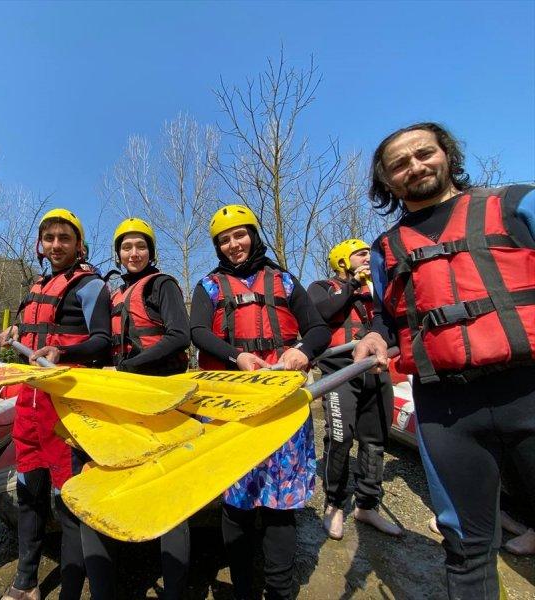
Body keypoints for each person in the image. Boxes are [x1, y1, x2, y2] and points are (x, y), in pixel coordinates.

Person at [353, 122, 535, 599]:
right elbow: (387, 320)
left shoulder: (516, 204)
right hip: (446, 410)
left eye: (423, 153)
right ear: (387, 183)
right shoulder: (385, 249)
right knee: (466, 547)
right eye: (399, 164)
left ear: (446, 155)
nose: (414, 166)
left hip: (529, 390)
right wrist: (374, 336)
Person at [190, 205, 330, 600]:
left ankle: (281, 590)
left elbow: (317, 328)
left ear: (253, 234)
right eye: (225, 239)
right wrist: (238, 357)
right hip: (232, 403)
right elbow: (198, 331)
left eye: (240, 235)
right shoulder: (209, 286)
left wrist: (301, 352)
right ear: (217, 246)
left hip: (281, 401)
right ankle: (246, 588)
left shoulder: (284, 280)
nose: (234, 244)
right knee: (237, 502)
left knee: (280, 502)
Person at [0, 208, 111, 600]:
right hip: (29, 406)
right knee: (28, 495)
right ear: (41, 246)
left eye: (65, 238)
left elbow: (102, 340)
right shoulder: (34, 287)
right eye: (50, 239)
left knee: (68, 505)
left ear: (79, 244)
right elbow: (29, 337)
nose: (57, 245)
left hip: (65, 410)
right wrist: (13, 334)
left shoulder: (92, 286)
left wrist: (62, 351)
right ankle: (26, 581)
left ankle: (72, 589)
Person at [80, 217, 191, 599]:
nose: (133, 253)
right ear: (118, 253)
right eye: (126, 247)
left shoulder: (163, 285)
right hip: (123, 398)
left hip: (161, 398)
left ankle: (174, 589)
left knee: (168, 492)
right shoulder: (114, 294)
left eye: (140, 246)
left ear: (151, 252)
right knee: (111, 481)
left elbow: (180, 336)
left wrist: (128, 367)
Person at [307, 239, 401, 540]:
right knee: (340, 436)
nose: (366, 259)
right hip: (339, 371)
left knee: (375, 439)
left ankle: (366, 505)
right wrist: (350, 286)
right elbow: (320, 313)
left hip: (375, 368)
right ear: (342, 261)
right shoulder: (322, 286)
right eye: (360, 254)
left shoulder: (377, 291)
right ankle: (334, 503)